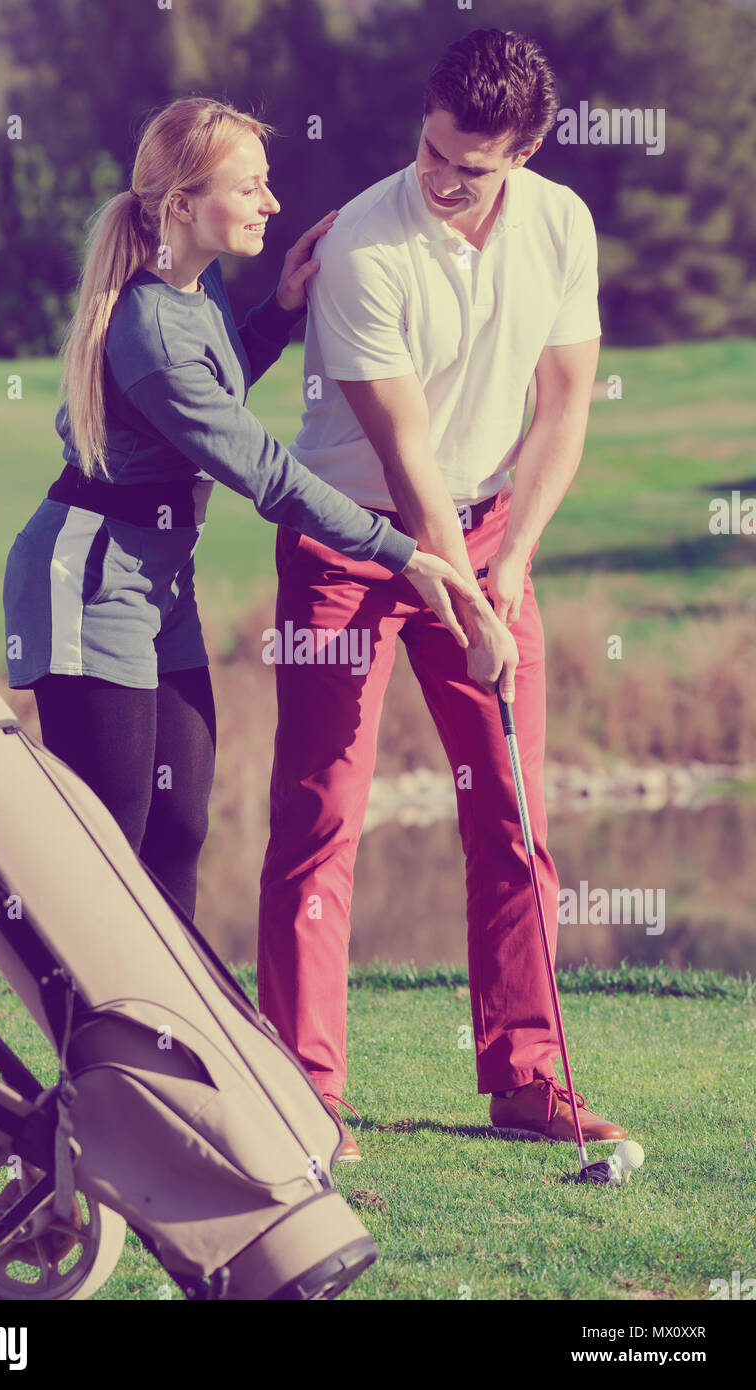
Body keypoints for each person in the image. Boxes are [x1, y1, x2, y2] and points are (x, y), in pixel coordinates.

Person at [257, 30, 627, 1159]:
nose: (441, 178)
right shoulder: (367, 245)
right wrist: (469, 600)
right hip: (349, 542)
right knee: (321, 813)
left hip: (485, 532)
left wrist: (509, 564)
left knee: (513, 805)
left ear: (525, 149)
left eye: (470, 166)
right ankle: (302, 1097)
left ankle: (526, 1076)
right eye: (431, 150)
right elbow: (407, 459)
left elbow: (565, 405)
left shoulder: (559, 222)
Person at [2, 96, 471, 923]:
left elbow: (209, 394)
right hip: (87, 581)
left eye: (267, 184)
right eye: (249, 187)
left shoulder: (195, 285)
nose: (271, 202)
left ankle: (174, 1034)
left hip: (159, 587)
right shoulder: (144, 325)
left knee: (179, 827)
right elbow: (265, 473)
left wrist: (279, 311)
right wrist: (401, 551)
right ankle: (95, 1042)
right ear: (181, 205)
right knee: (109, 841)